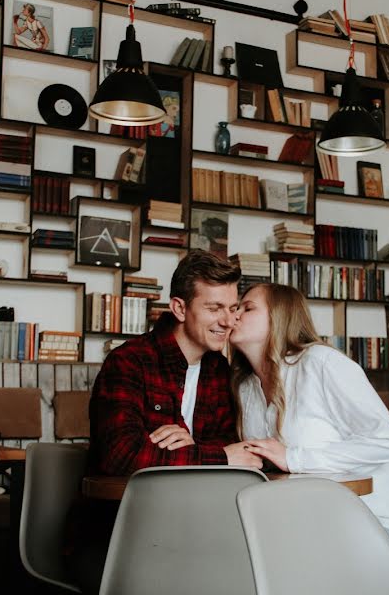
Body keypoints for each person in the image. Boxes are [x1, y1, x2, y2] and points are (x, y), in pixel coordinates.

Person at [66, 250, 261, 594]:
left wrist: (195, 447)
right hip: (117, 534)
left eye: (232, 309)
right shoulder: (128, 362)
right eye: (214, 308)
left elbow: (232, 443)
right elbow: (122, 458)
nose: (228, 321)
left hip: (195, 531)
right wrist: (217, 456)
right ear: (179, 309)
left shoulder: (219, 370)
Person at [229, 283, 389, 575]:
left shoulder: (322, 363)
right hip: (312, 530)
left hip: (379, 525)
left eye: (248, 308)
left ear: (280, 316)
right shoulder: (245, 388)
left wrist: (294, 458)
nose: (234, 315)